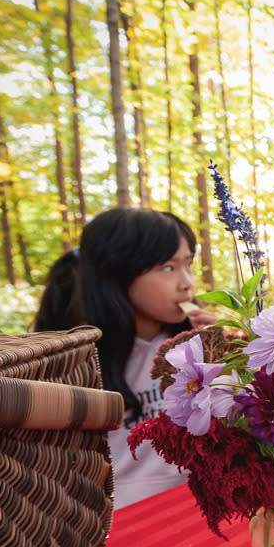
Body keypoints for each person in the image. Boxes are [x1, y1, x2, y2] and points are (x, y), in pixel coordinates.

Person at [35, 208, 216, 509]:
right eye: (168, 268)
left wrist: (229, 361)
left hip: (200, 509)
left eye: (188, 265)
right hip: (112, 524)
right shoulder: (75, 364)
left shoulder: (196, 346)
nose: (187, 283)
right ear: (118, 272)